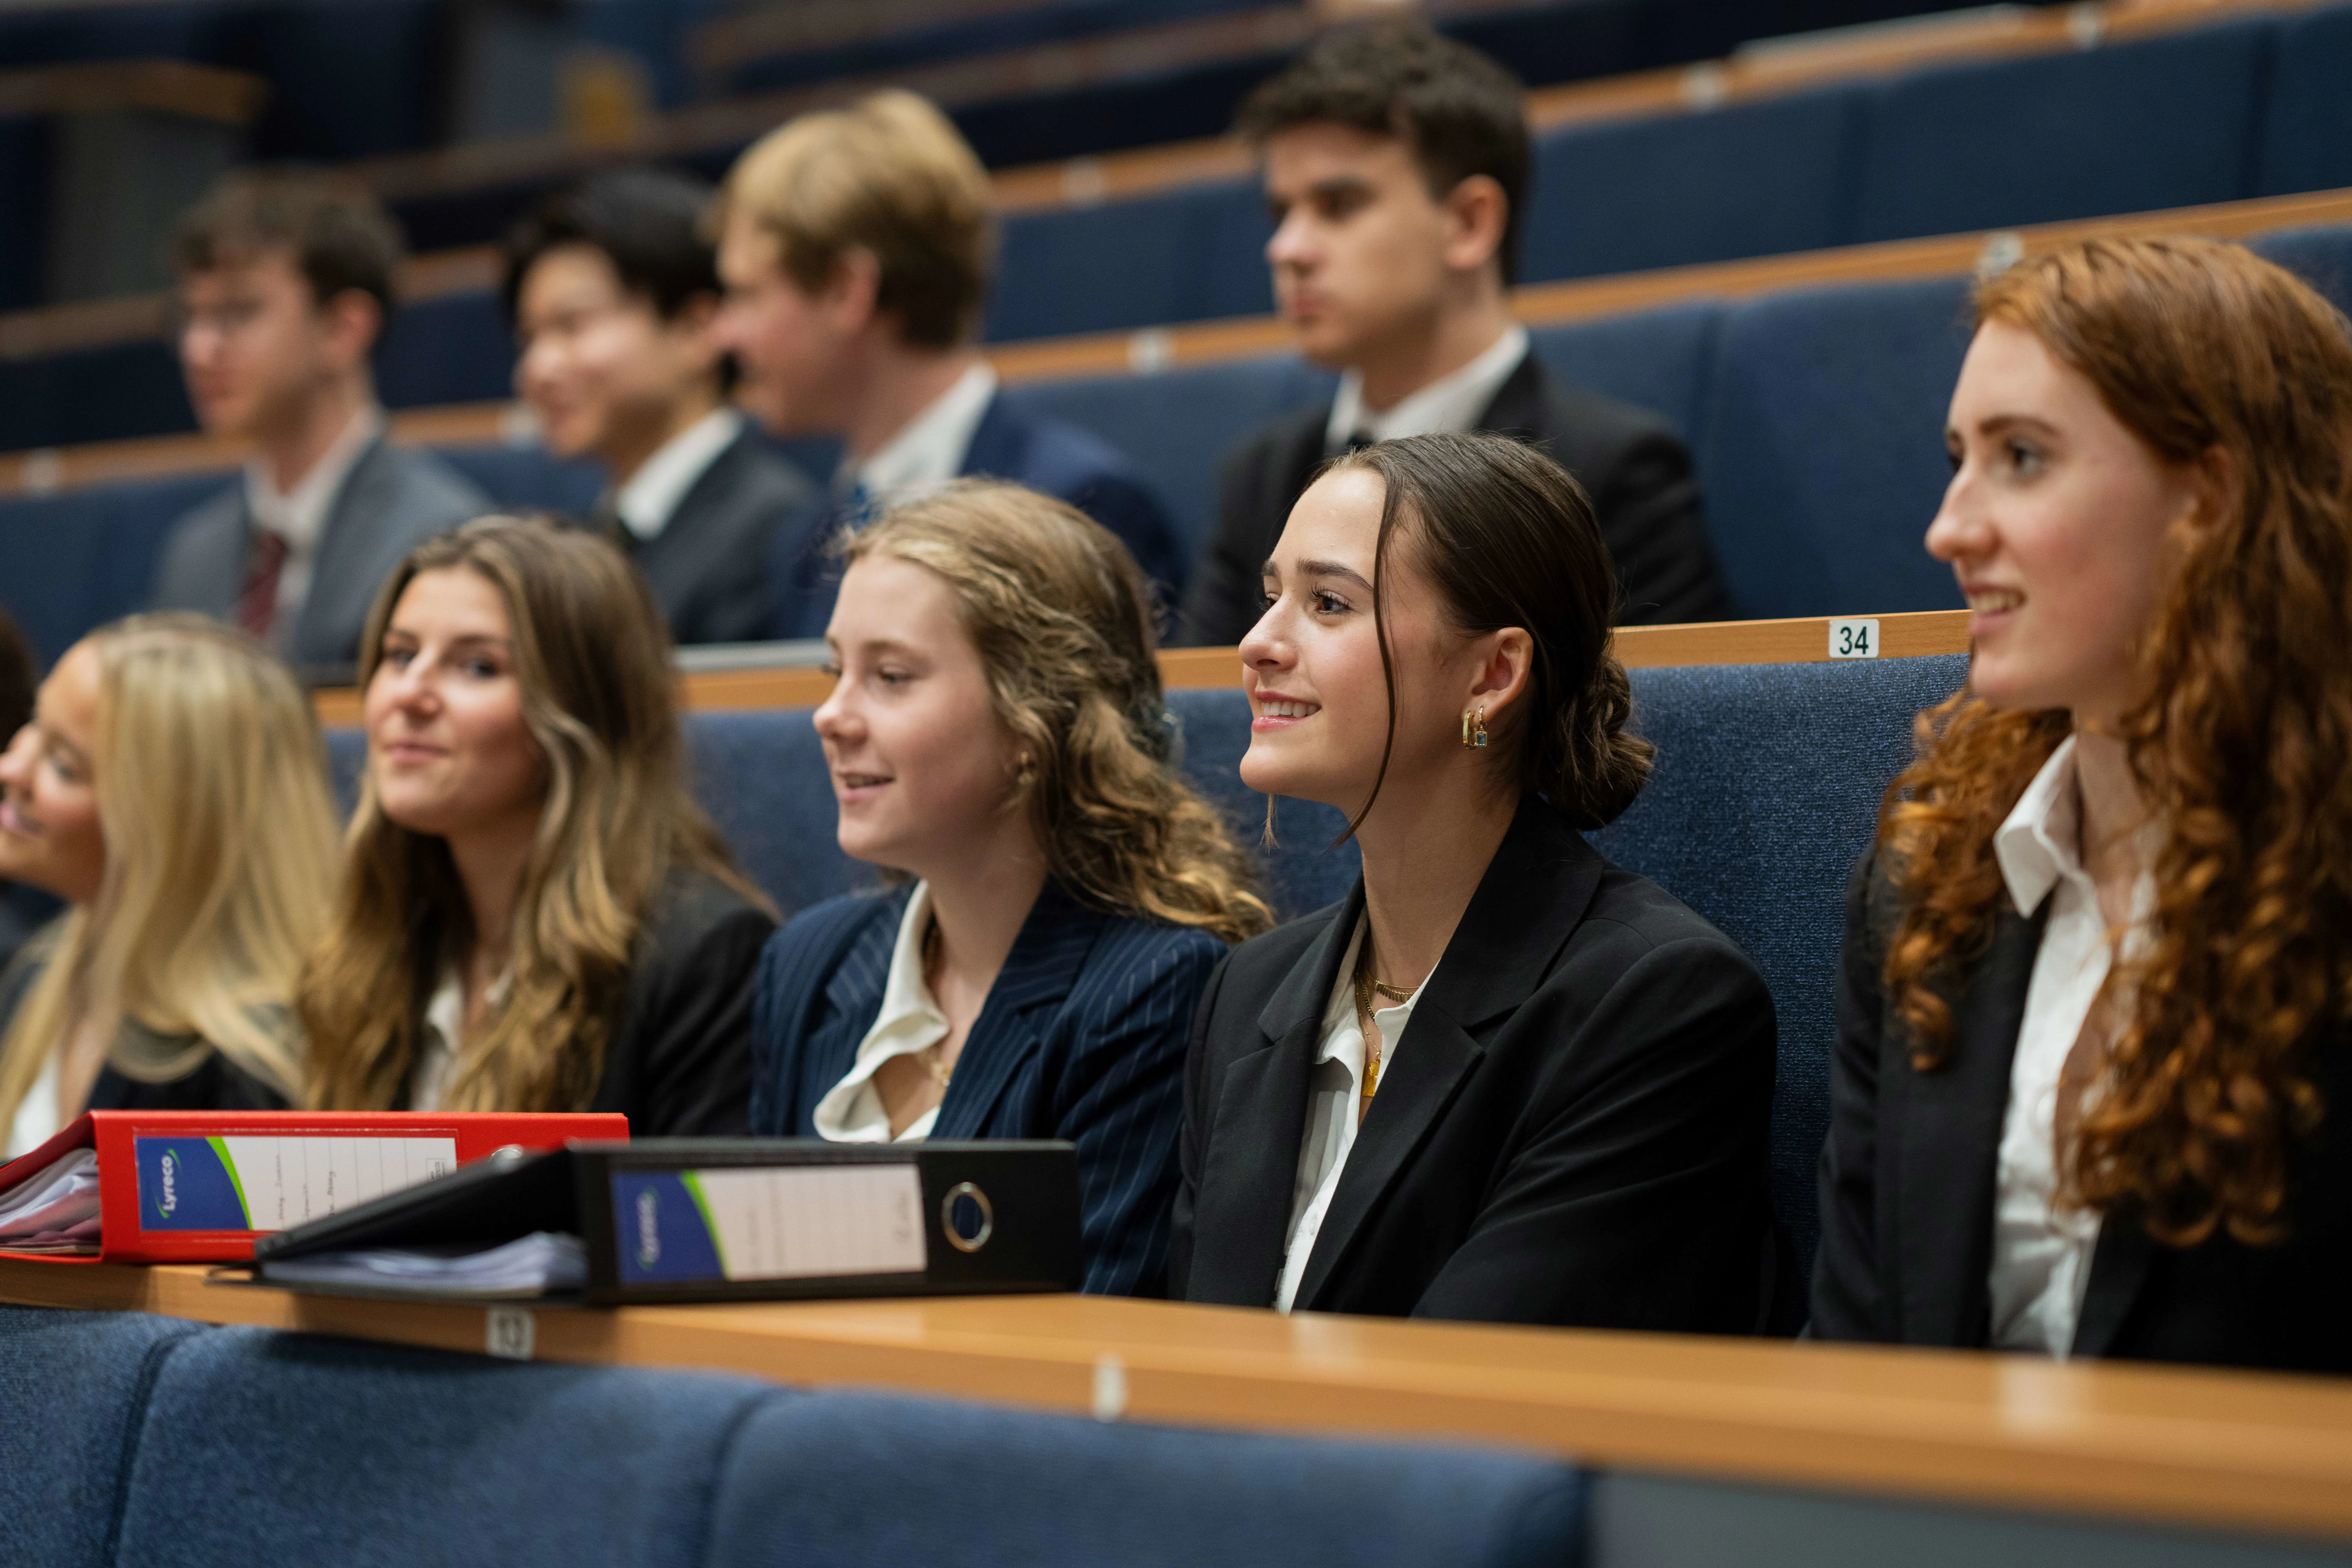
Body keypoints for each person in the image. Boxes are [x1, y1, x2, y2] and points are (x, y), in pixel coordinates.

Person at [1811, 237, 2352, 1374]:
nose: (1947, 528)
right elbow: (1861, 1346)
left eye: (2019, 458)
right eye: (1956, 457)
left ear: (2210, 495)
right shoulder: (1925, 875)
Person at [1170, 431, 1776, 1325]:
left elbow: (1478, 1391)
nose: (1258, 642)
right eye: (1271, 598)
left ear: (1492, 673)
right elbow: (1175, 1346)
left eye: (1328, 603)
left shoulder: (1654, 1003)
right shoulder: (1249, 990)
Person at [750, 481, 1270, 1296]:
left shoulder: (1152, 990)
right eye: (834, 670)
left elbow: (1091, 1332)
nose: (831, 715)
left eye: (890, 675)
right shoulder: (807, 961)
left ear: (1032, 724)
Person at [1181, 22, 1727, 647]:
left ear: (1469, 223)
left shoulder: (1610, 472)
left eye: (1338, 205)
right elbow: (1208, 722)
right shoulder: (1261, 475)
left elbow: (1645, 734)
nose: (1285, 248)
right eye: (1282, 213)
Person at [301, 517, 777, 1134]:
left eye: (477, 667)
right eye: (400, 655)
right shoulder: (378, 935)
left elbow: (687, 1228)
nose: (409, 694)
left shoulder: (701, 956)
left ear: (582, 714)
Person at [708, 90, 1188, 632]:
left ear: (847, 292)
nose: (723, 335)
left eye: (746, 295)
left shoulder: (1077, 509)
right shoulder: (803, 542)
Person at [0, 616, 341, 1155]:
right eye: (32, 726)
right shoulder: (37, 977)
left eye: (63, 765)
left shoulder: (240, 1078)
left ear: (169, 831)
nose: (11, 767)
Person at [152, 171, 490, 678]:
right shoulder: (193, 552)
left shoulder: (443, 539)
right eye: (192, 319)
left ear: (342, 329)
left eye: (238, 314)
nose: (198, 350)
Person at [504, 168, 820, 645]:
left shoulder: (777, 533)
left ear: (695, 331)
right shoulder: (585, 531)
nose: (537, 368)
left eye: (572, 326)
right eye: (529, 338)